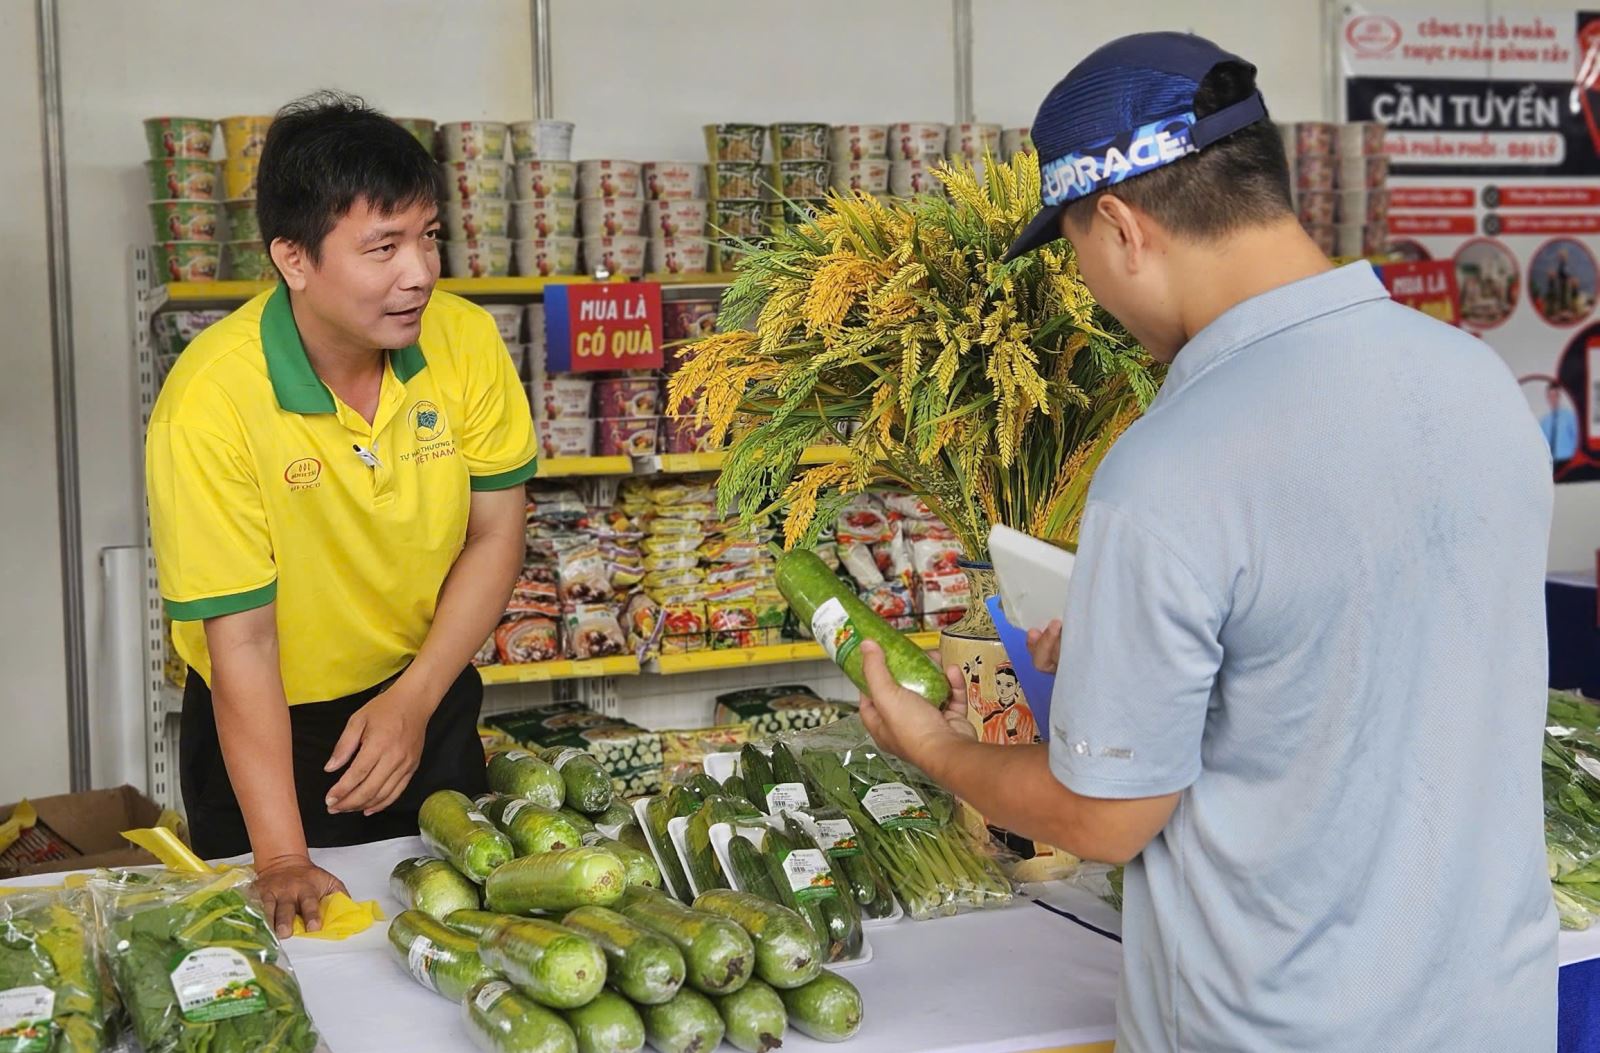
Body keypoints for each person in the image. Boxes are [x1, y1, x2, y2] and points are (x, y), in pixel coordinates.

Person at [854, 32, 1555, 1051]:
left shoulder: (1173, 465)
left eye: (1080, 252)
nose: (1091, 287)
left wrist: (933, 746)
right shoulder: (1476, 381)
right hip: (1494, 1012)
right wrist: (1119, 666)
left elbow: (1104, 818)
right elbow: (1360, 663)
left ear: (1123, 227)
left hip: (1279, 1026)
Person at [145, 92, 536, 937]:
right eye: (383, 246)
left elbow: (496, 532)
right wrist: (281, 855)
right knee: (292, 961)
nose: (420, 272)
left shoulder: (464, 343)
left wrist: (415, 699)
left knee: (459, 944)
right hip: (267, 731)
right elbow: (241, 639)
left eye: (429, 235)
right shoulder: (210, 401)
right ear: (294, 258)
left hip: (425, 698)